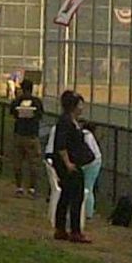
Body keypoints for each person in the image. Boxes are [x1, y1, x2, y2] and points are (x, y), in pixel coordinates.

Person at [50, 91, 95, 242]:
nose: (82, 108)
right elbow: (61, 145)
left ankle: (61, 228)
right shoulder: (65, 122)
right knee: (75, 195)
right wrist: (68, 163)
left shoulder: (73, 121)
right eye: (80, 105)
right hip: (69, 165)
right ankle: (75, 231)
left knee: (67, 195)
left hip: (74, 162)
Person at [7, 77, 46, 198]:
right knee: (33, 163)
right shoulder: (36, 101)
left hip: (19, 134)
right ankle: (32, 188)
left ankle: (19, 187)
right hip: (32, 136)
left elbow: (12, 112)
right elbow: (40, 115)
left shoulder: (17, 101)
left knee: (18, 163)